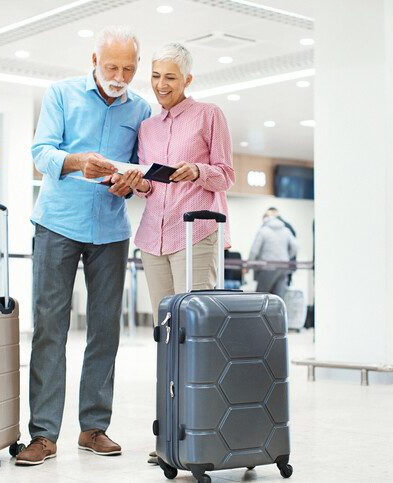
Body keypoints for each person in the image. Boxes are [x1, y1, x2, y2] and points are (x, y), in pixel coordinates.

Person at [16, 26, 151, 466]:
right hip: (58, 222)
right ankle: (43, 433)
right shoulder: (61, 93)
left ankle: (93, 427)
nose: (120, 76)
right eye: (112, 67)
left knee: (105, 329)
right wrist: (78, 161)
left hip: (110, 230)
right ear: (94, 60)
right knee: (51, 325)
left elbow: (139, 174)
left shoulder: (141, 108)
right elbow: (41, 153)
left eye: (128, 69)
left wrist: (128, 186)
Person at [114, 42, 234, 465]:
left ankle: (201, 431)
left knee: (197, 335)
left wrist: (198, 171)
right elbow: (151, 183)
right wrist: (139, 184)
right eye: (156, 75)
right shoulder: (147, 126)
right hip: (154, 236)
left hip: (196, 230)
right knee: (166, 338)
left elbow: (226, 176)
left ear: (187, 80)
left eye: (170, 77)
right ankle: (170, 433)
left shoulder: (208, 115)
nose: (161, 84)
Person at [248, 209, 298, 299]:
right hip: (283, 266)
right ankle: (277, 313)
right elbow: (295, 247)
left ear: (265, 219)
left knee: (260, 296)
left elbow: (254, 250)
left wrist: (249, 265)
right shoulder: (286, 230)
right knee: (279, 298)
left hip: (268, 267)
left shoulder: (263, 231)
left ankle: (260, 314)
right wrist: (287, 257)